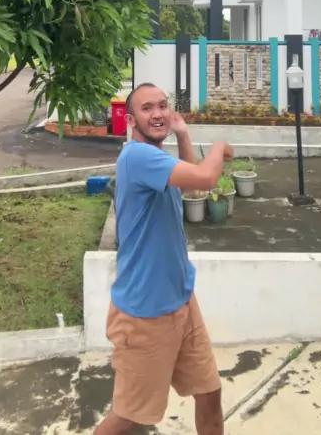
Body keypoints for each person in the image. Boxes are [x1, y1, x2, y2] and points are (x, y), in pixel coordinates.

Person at [95, 83, 233, 435]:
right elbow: (206, 177)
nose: (157, 113)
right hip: (145, 315)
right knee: (128, 418)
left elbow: (191, 185)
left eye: (162, 106)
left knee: (209, 392)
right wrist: (218, 148)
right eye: (146, 108)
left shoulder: (156, 160)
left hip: (181, 301)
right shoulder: (137, 157)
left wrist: (183, 133)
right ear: (131, 120)